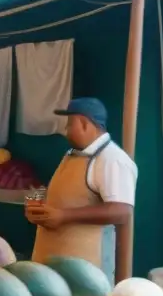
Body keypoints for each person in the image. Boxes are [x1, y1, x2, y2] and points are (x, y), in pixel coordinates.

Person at [27, 98, 137, 282]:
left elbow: (121, 211)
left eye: (70, 124)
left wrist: (63, 216)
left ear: (84, 123)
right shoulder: (71, 155)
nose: (66, 131)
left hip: (86, 273)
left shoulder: (112, 159)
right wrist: (39, 209)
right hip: (51, 267)